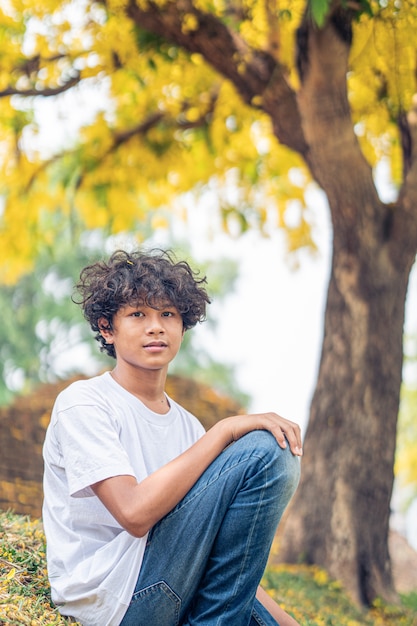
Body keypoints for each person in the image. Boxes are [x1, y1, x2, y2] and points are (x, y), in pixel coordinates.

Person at [42, 248, 303, 626]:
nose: (156, 327)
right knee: (264, 451)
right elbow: (133, 513)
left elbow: (229, 559)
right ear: (106, 328)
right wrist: (225, 430)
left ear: (183, 326)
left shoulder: (188, 427)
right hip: (114, 599)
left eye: (168, 314)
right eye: (137, 314)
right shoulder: (83, 403)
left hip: (177, 584)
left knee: (273, 451)